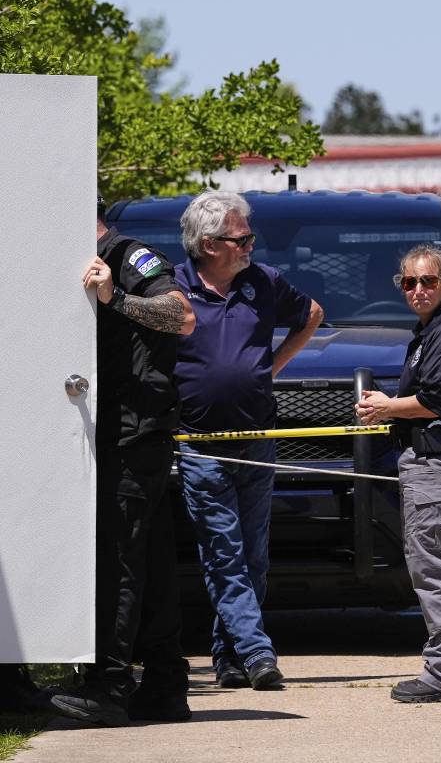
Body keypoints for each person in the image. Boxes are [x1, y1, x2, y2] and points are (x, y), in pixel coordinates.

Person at [48, 199, 197, 727]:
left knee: (119, 562)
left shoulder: (129, 256)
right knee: (151, 567)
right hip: (124, 436)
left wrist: (114, 297)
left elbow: (181, 315)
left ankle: (108, 687)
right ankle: (163, 687)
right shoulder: (78, 262)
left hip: (135, 437)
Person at [173, 191, 323, 691]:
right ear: (209, 244)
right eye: (241, 239)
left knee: (253, 554)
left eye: (249, 237)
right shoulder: (172, 287)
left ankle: (230, 657)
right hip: (199, 444)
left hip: (257, 438)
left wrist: (270, 368)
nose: (250, 246)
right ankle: (258, 652)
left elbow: (312, 315)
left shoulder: (264, 282)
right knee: (223, 551)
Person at [356, 244, 441, 703]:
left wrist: (386, 406)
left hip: (440, 465)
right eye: (408, 282)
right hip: (436, 463)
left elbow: (439, 399)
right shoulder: (435, 331)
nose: (417, 289)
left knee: (436, 571)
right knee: (435, 567)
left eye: (427, 281)